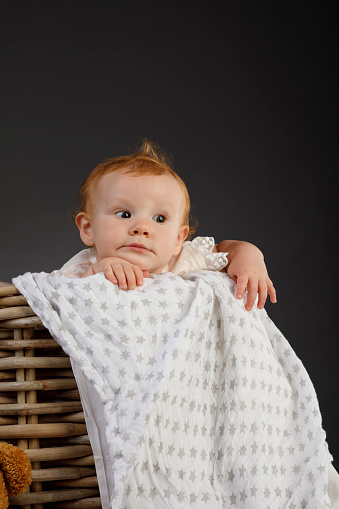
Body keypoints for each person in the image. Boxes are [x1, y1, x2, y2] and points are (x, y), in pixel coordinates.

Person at [65, 139, 276, 311]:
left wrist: (249, 256)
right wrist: (97, 272)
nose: (141, 228)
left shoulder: (182, 259)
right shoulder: (82, 269)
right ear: (88, 228)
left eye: (159, 219)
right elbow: (67, 308)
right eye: (124, 214)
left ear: (178, 239)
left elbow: (226, 250)